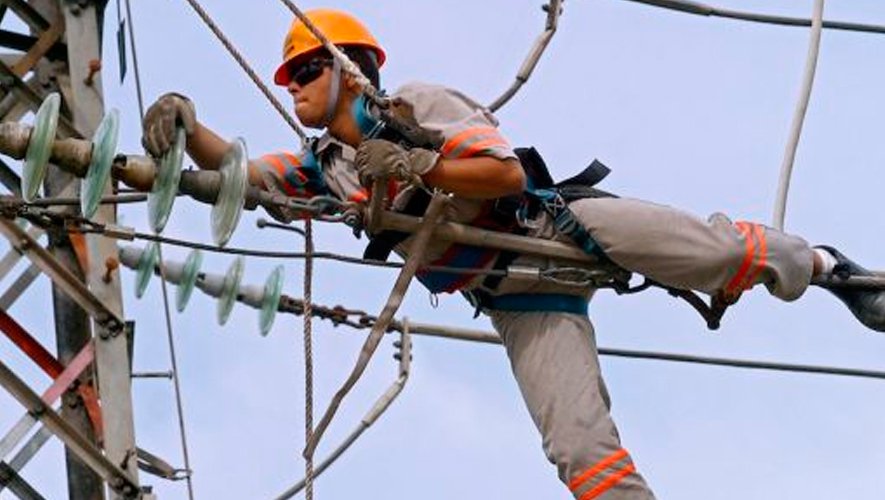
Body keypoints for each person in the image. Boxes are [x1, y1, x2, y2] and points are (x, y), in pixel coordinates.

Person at [141, 8, 885, 499]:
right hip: (516, 296)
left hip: (556, 228)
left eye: (307, 69)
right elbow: (238, 178)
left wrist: (418, 164)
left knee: (718, 253)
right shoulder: (325, 168)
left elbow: (500, 173)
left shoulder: (413, 108)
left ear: (348, 65)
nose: (295, 86)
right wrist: (186, 127)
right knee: (577, 449)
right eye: (291, 77)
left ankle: (826, 268)